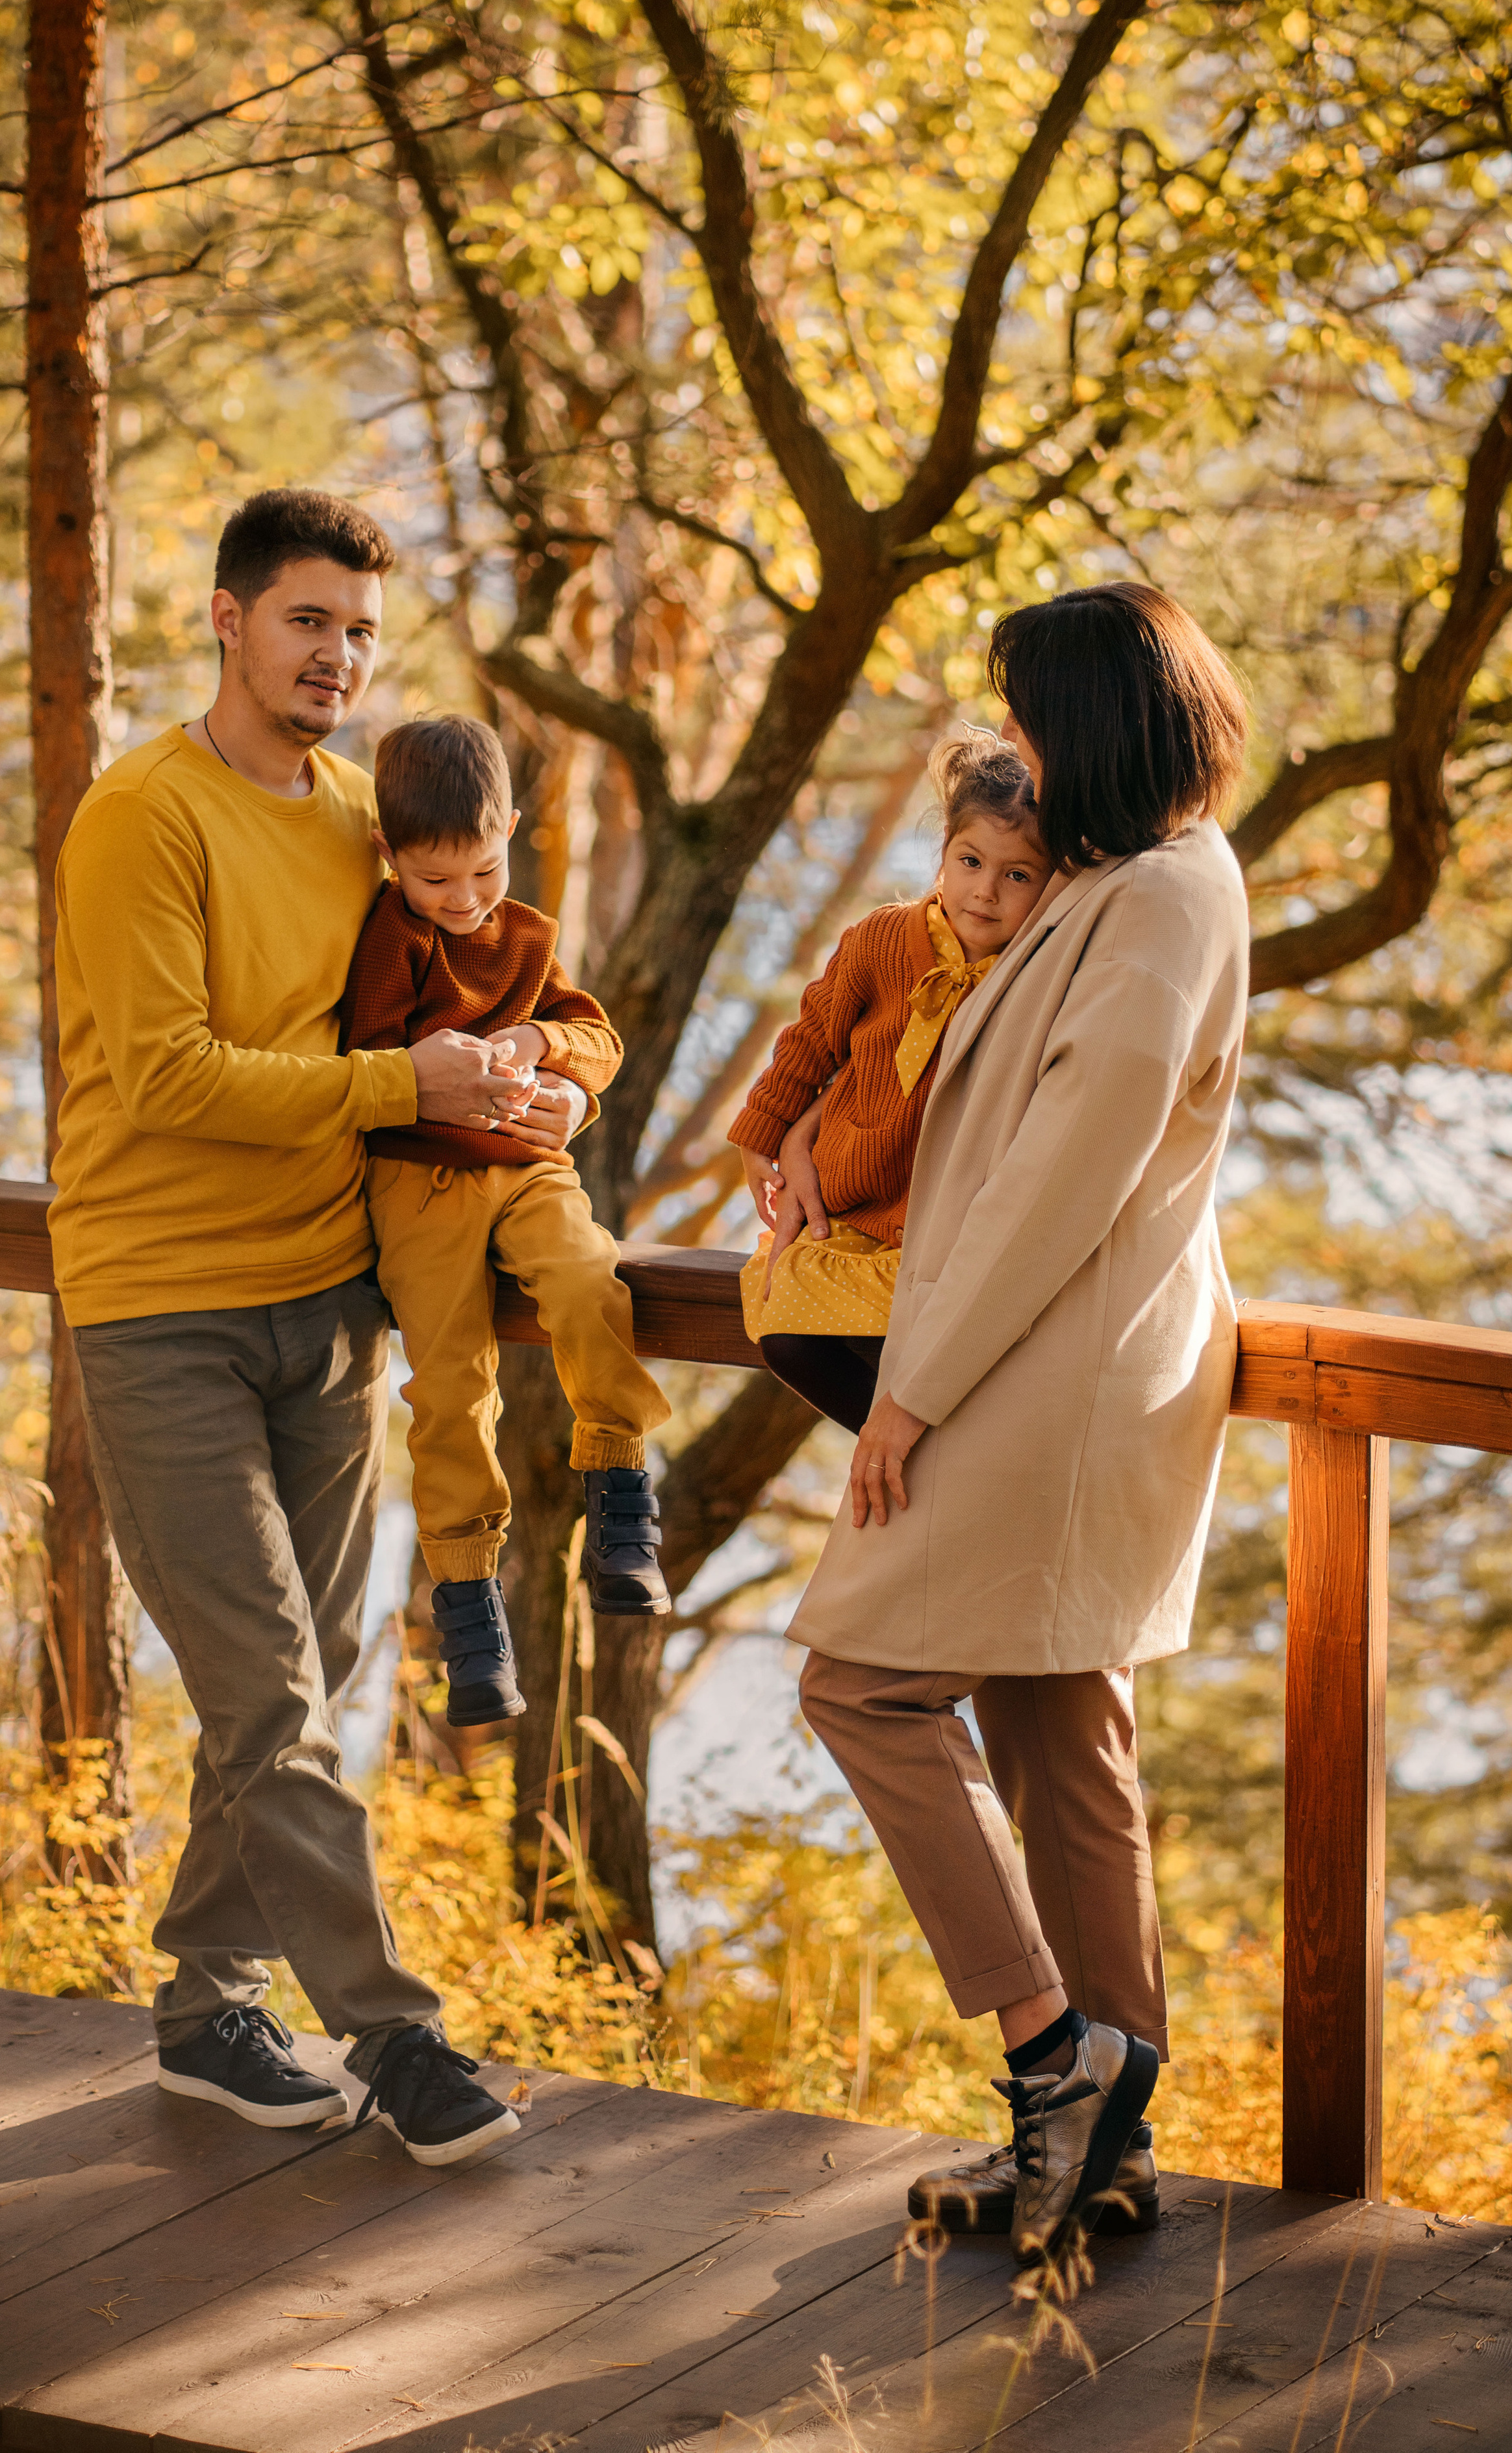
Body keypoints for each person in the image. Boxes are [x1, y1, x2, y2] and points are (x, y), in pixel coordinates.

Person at [50, 488, 585, 2167]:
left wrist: (529, 1089)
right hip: (162, 1308)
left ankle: (208, 2009)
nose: (337, 656)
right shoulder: (146, 815)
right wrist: (399, 1083)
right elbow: (166, 1075)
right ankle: (397, 2038)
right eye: (305, 622)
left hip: (332, 1306)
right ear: (226, 620)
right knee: (275, 1694)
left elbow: (483, 1001)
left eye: (359, 631)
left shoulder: (374, 818)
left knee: (296, 1687)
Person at [777, 583, 1250, 2260]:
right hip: (1054, 1364)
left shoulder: (1164, 905)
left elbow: (1059, 1178)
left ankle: (1056, 2055)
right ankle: (1105, 2150)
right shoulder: (1132, 883)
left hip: (1039, 1377)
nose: (1025, 757)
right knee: (1063, 1738)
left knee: (860, 1682)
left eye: (1038, 720)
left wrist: (906, 1391)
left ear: (1104, 723)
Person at [338, 714, 672, 1724]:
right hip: (420, 1186)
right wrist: (435, 1077)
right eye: (437, 882)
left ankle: (619, 1486)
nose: (464, 900)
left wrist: (543, 1051)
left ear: (513, 833)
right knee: (449, 1387)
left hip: (527, 1168)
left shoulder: (524, 935)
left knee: (586, 1283)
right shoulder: (386, 943)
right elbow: (365, 1064)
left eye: (483, 872)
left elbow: (598, 1041)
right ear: (389, 857)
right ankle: (468, 1603)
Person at [730, 738, 1050, 1435]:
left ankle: (931, 1456)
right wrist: (762, 1134)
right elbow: (812, 1039)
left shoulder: (1034, 977)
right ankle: (913, 1454)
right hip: (849, 1199)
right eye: (969, 863)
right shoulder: (881, 939)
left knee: (909, 1348)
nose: (985, 891)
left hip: (935, 1222)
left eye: (1018, 876)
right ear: (943, 853)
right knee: (786, 1334)